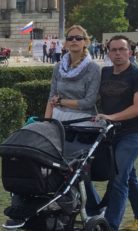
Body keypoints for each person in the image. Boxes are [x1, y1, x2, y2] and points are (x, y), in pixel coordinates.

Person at [96, 35, 138, 231]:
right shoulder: (104, 72)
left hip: (134, 134)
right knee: (129, 175)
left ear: (130, 51)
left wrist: (111, 117)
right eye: (113, 50)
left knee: (118, 177)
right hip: (111, 134)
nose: (118, 53)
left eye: (122, 49)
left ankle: (110, 227)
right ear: (108, 52)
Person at [44, 24, 102, 213]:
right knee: (59, 167)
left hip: (83, 123)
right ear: (65, 42)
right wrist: (46, 124)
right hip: (60, 121)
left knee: (75, 168)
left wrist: (62, 101)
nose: (74, 41)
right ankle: (67, 203)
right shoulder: (58, 67)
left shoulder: (93, 68)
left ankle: (91, 207)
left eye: (79, 38)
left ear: (86, 42)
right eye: (71, 38)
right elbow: (51, 97)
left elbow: (89, 101)